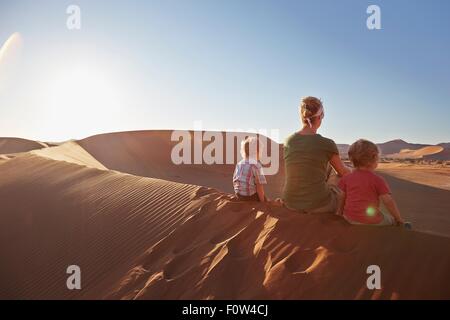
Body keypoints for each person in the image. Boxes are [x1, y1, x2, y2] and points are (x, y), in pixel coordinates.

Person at [283, 96, 351, 213]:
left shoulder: (288, 141)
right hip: (318, 205)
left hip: (290, 203)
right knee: (339, 180)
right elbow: (343, 172)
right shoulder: (326, 144)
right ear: (320, 117)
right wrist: (356, 170)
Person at [338, 139, 410, 227]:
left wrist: (339, 214)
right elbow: (388, 201)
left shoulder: (346, 178)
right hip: (370, 221)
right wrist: (398, 219)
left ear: (351, 159)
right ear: (375, 158)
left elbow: (342, 197)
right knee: (391, 221)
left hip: (348, 219)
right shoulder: (377, 180)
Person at [233, 136, 267, 202]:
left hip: (239, 195)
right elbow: (259, 186)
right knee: (265, 199)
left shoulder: (239, 163)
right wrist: (263, 202)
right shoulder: (256, 165)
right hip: (250, 197)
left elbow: (235, 180)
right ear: (257, 151)